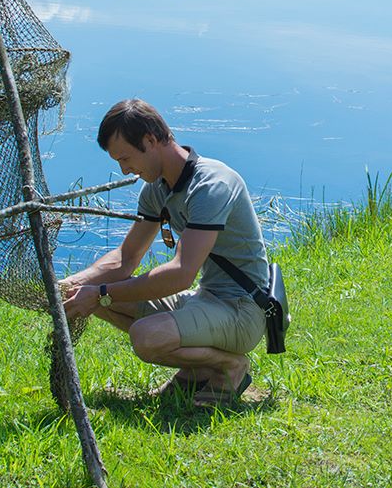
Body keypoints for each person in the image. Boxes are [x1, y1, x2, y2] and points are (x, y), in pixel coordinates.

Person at [61, 99, 269, 406]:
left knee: (145, 336)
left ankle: (230, 365)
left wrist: (102, 292)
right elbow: (125, 258)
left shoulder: (211, 185)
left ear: (150, 140)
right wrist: (71, 285)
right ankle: (197, 370)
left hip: (242, 310)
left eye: (126, 158)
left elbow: (181, 274)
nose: (124, 170)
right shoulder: (157, 189)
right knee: (88, 296)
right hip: (206, 299)